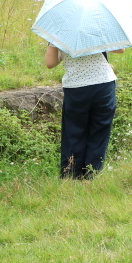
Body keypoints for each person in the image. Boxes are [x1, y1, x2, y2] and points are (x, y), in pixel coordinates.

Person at [45, 45, 124, 179]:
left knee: (74, 131)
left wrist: (60, 48)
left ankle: (70, 175)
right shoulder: (98, 26)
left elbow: (50, 63)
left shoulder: (60, 32)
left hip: (76, 87)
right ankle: (92, 174)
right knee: (99, 131)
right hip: (103, 83)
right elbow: (120, 49)